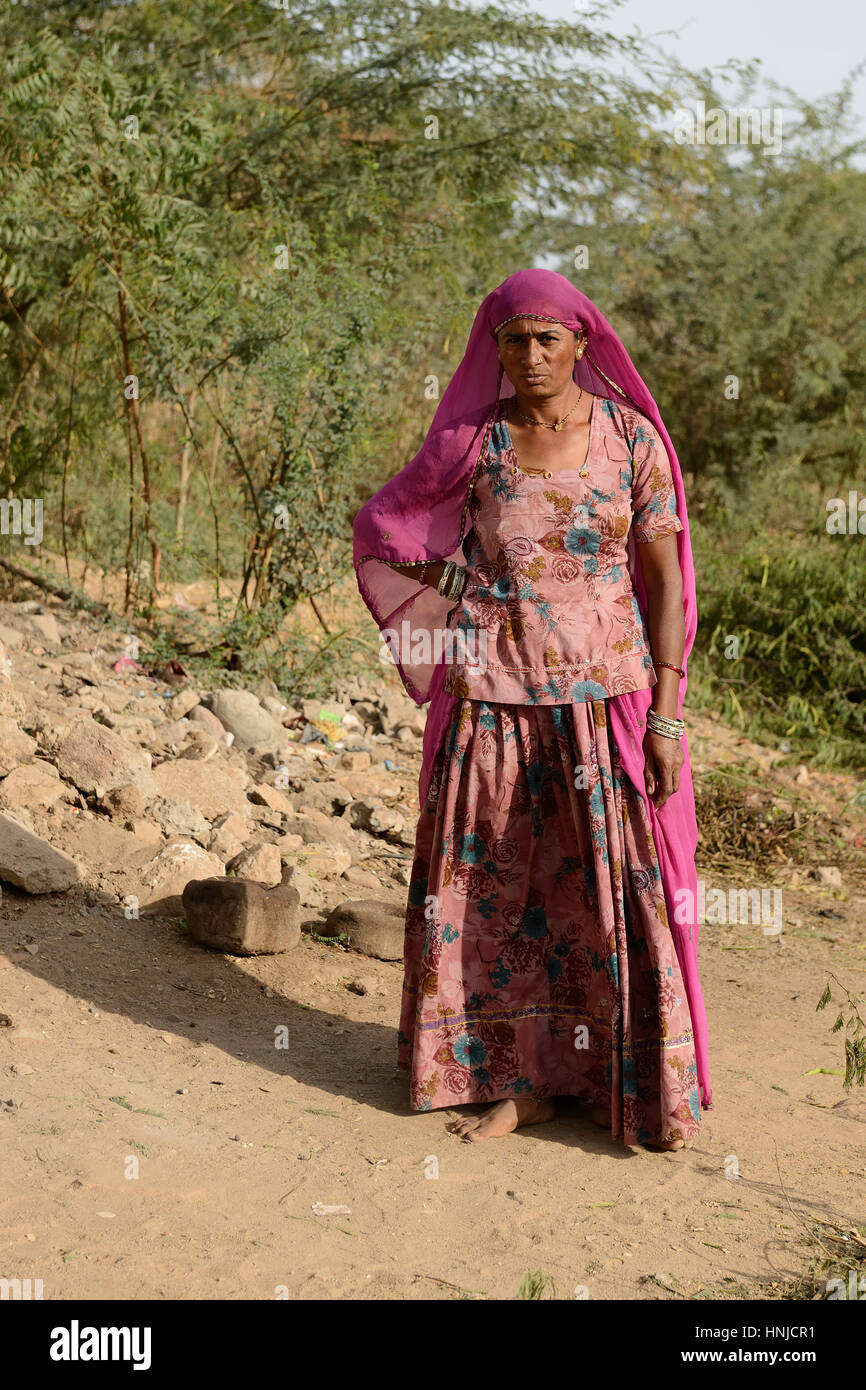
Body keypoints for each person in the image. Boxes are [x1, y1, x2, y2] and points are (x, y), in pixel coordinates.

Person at [353, 269, 712, 1151]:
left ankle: (614, 1073)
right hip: (494, 703)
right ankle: (514, 1081)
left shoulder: (631, 440)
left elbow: (663, 575)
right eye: (513, 339)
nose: (530, 354)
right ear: (496, 348)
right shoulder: (476, 442)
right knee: (493, 896)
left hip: (603, 701)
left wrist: (666, 710)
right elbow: (388, 527)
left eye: (548, 337)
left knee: (611, 891)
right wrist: (459, 602)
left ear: (583, 343)